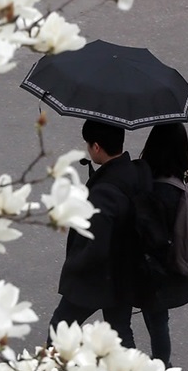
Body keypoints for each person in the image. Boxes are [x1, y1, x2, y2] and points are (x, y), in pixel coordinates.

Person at [47, 119, 150, 349]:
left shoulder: (105, 192)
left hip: (98, 277)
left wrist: (74, 265)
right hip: (125, 272)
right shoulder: (133, 172)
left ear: (96, 147)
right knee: (120, 330)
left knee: (61, 326)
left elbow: (97, 244)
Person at [137, 122, 188, 368]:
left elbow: (151, 236)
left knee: (157, 317)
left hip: (161, 267)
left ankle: (162, 366)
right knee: (159, 317)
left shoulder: (158, 190)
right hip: (183, 257)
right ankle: (163, 364)